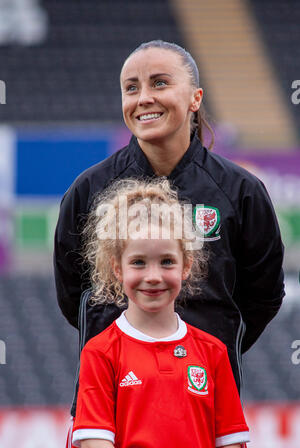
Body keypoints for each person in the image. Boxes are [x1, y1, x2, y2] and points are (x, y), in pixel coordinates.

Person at [53, 40, 285, 414]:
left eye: (160, 83)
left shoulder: (242, 192)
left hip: (204, 397)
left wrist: (207, 346)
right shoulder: (89, 191)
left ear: (195, 98)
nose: (143, 97)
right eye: (131, 88)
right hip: (112, 402)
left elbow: (264, 295)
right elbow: (73, 294)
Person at [69, 177, 250, 448]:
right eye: (138, 262)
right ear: (117, 268)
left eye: (167, 262)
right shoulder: (99, 352)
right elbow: (96, 443)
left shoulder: (213, 352)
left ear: (186, 266)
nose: (153, 277)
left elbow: (229, 443)